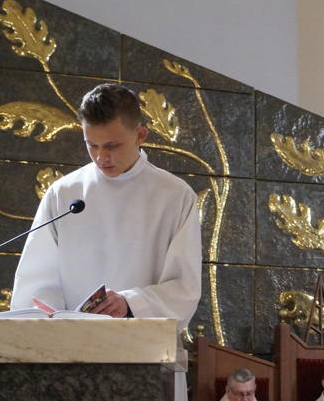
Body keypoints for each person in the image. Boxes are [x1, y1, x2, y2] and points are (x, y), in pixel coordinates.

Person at [10, 82, 201, 330]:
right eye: (92, 145)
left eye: (112, 145)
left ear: (140, 135)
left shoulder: (175, 196)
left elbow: (184, 287)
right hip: (70, 341)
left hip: (140, 341)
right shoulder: (64, 193)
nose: (101, 157)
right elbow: (36, 285)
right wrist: (54, 322)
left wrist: (128, 303)